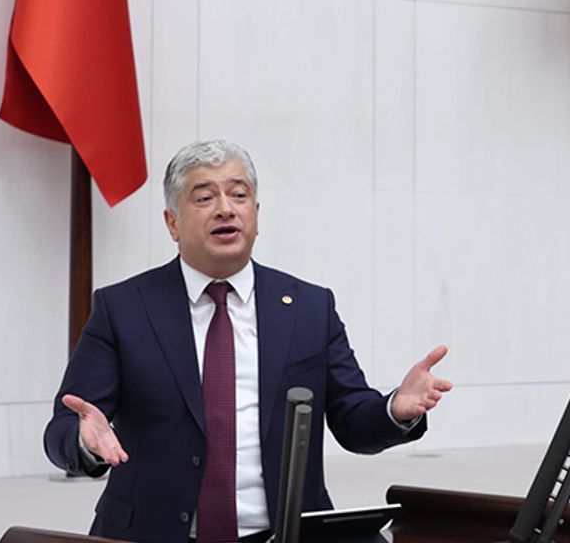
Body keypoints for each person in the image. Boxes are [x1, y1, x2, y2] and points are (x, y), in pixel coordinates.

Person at [44, 140, 453, 543]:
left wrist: (394, 409)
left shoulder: (310, 307)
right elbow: (64, 425)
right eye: (205, 197)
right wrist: (84, 442)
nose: (225, 208)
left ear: (256, 214)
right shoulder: (123, 309)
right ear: (172, 223)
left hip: (286, 534)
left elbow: (352, 419)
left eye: (239, 195)